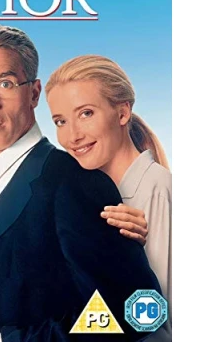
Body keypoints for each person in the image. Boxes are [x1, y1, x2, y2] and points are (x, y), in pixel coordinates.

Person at [0, 24, 161, 342]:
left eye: (5, 84)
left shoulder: (70, 181)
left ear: (34, 93)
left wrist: (9, 341)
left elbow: (140, 313)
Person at [45, 54, 172, 341]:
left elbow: (157, 323)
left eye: (86, 113)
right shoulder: (84, 201)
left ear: (122, 113)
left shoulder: (157, 190)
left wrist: (128, 257)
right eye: (61, 121)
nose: (72, 136)